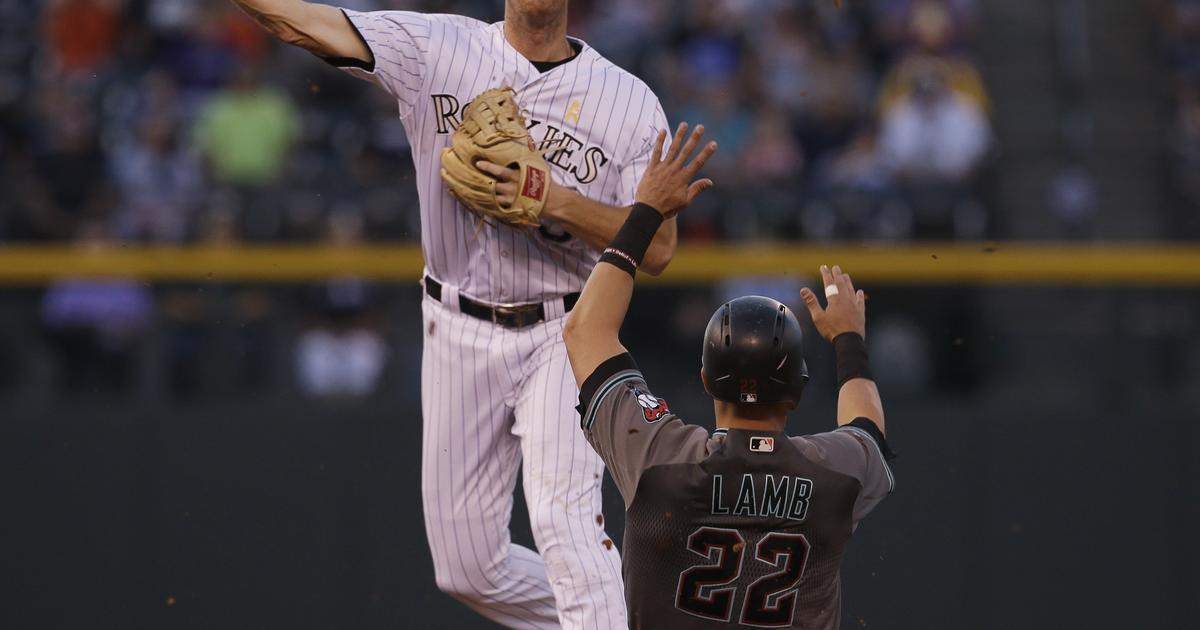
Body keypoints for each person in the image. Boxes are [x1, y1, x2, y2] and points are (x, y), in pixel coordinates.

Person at [228, 1, 696, 627]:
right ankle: (633, 615)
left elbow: (659, 247)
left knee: (564, 525)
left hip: (567, 331)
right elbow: (301, 23)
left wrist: (555, 201)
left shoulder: (628, 102)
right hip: (455, 326)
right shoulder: (435, 47)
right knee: (469, 569)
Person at [563, 127, 894, 628]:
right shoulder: (834, 473)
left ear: (705, 380)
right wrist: (848, 339)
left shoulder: (660, 458)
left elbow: (585, 330)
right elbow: (867, 427)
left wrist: (646, 210)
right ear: (800, 390)